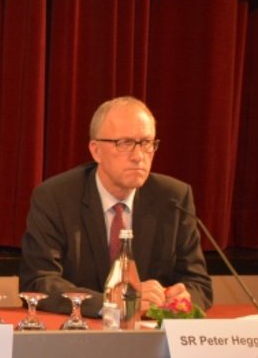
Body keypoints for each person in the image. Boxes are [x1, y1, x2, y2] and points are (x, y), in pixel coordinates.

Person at [19, 96, 213, 317]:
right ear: (96, 151)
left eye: (147, 143)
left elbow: (199, 284)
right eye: (125, 143)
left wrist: (178, 299)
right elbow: (38, 281)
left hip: (149, 336)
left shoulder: (173, 198)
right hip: (81, 337)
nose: (139, 156)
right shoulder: (55, 197)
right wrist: (114, 304)